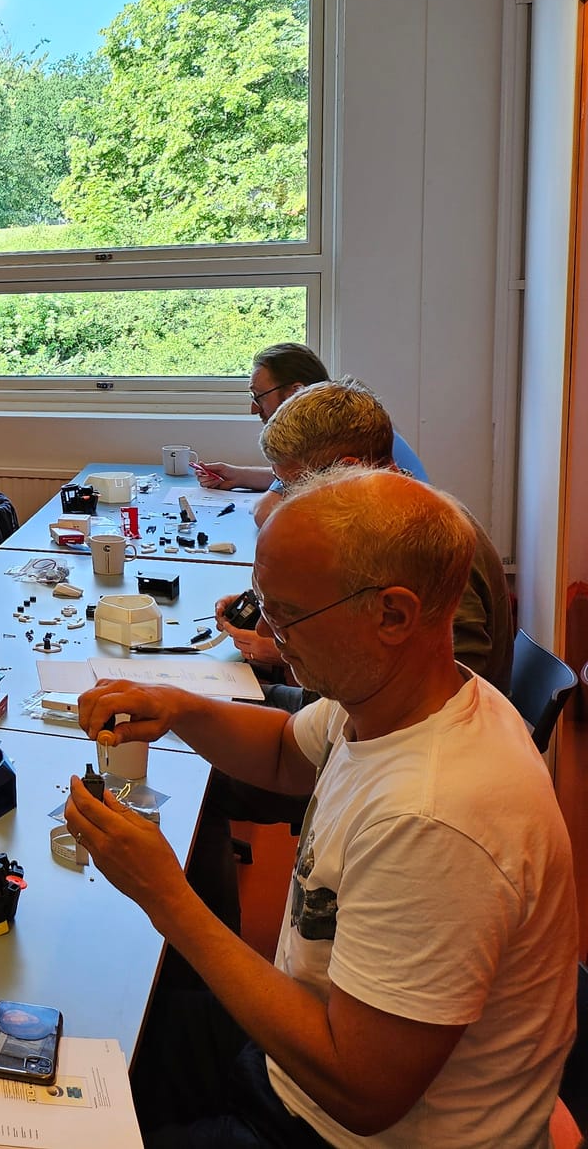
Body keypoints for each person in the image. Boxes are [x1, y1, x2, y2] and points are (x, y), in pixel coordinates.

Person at [67, 469, 575, 1148]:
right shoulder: (395, 697)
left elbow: (361, 1090)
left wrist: (167, 897)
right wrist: (177, 706)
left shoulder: (435, 815)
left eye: (286, 613)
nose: (267, 630)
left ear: (391, 614)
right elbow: (284, 750)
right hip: (299, 1059)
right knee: (79, 1036)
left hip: (337, 1126)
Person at [218, 378, 512, 696]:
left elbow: (456, 683)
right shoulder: (370, 523)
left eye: (295, 487)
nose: (288, 500)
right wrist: (281, 610)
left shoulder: (427, 541)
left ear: (349, 470)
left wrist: (285, 652)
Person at [193, 342, 426, 494]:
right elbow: (307, 478)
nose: (254, 409)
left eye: (259, 396)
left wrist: (272, 490)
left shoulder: (333, 439)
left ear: (295, 393)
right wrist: (238, 475)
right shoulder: (350, 422)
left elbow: (265, 512)